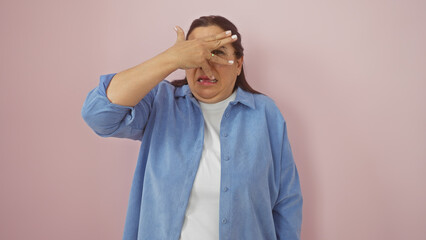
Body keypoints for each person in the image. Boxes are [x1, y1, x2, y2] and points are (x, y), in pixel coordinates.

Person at [82, 15, 302, 240]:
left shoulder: (265, 113)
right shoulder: (160, 101)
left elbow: (287, 200)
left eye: (218, 52)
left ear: (238, 64)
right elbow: (97, 114)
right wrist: (170, 59)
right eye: (196, 52)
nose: (206, 65)